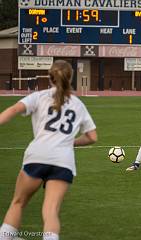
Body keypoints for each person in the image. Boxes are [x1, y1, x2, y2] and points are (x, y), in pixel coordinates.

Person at [0, 60, 97, 240]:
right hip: (63, 161)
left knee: (18, 203)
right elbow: (92, 137)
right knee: (51, 211)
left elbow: (13, 109)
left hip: (37, 156)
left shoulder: (39, 96)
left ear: (50, 77)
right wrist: (69, 142)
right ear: (70, 78)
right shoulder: (77, 104)